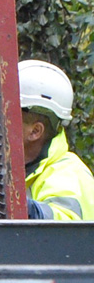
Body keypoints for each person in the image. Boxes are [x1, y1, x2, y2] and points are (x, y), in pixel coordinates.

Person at [20, 59, 94, 221]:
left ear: (35, 131)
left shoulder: (69, 172)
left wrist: (16, 205)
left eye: (8, 114)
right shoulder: (15, 167)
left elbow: (63, 228)